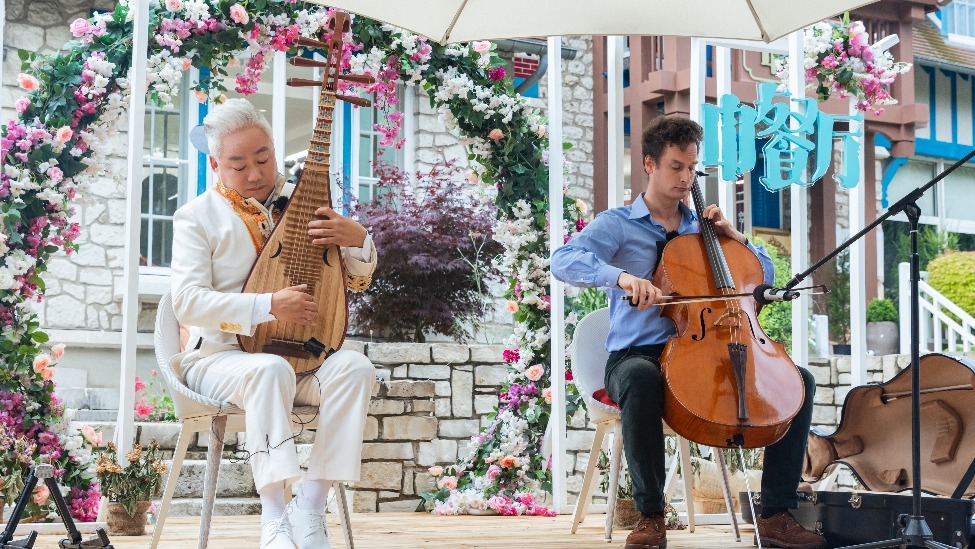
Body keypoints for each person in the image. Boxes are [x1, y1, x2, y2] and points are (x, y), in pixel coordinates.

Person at [552, 115, 826, 549]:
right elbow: (563, 259)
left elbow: (760, 277)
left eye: (692, 168)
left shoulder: (705, 229)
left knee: (801, 381)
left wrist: (734, 237)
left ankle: (775, 513)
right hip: (637, 355)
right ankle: (651, 516)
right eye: (676, 167)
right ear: (649, 163)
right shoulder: (618, 223)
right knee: (641, 379)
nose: (686, 178)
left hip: (709, 351)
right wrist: (621, 278)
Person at [170, 98, 376, 549]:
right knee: (268, 369)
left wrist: (358, 240)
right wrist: (265, 306)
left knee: (356, 368)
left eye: (262, 158)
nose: (255, 174)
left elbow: (355, 281)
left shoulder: (304, 206)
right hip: (218, 361)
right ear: (215, 164)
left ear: (274, 149)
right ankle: (274, 517)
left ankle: (310, 508)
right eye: (238, 164)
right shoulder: (196, 218)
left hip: (299, 358)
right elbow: (186, 302)